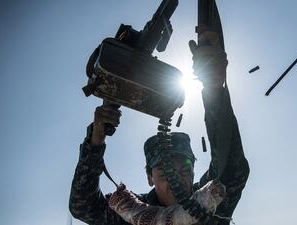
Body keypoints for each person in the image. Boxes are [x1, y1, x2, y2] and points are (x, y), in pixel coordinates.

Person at [69, 31, 250, 225]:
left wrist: (214, 89)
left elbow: (232, 166)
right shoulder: (134, 213)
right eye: (164, 174)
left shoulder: (210, 201)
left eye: (185, 170)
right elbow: (83, 206)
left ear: (194, 171)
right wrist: (96, 141)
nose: (176, 181)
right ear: (149, 178)